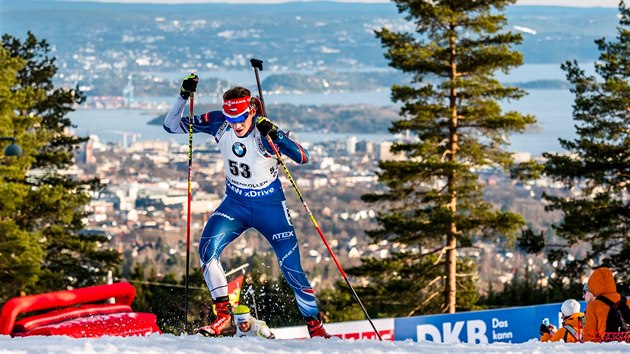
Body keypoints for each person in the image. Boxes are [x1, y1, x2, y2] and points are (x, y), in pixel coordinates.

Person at [163, 74, 330, 338]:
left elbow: (303, 157)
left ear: (251, 111)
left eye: (241, 118)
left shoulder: (264, 135)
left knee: (290, 268)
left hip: (269, 208)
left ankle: (315, 326)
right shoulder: (219, 122)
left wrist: (276, 135)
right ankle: (223, 317)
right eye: (231, 119)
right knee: (207, 251)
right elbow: (170, 126)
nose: (236, 125)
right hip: (235, 204)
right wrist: (183, 95)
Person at [583, 267, 630, 342]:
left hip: (606, 347)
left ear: (594, 284)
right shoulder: (626, 301)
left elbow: (589, 335)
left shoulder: (594, 305)